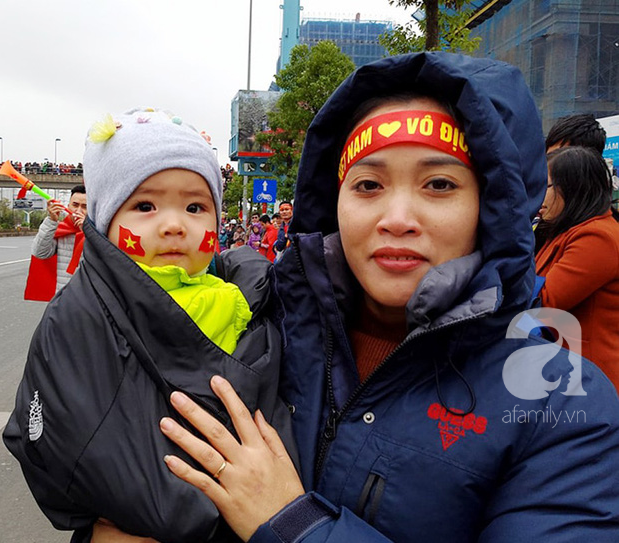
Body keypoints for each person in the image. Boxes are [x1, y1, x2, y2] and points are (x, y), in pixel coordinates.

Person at [149, 53, 619, 543]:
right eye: (368, 184)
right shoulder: (256, 325)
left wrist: (294, 525)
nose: (396, 218)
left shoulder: (558, 408)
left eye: (439, 184)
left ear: (492, 205)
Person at [3, 108, 293, 543]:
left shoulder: (249, 301)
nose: (174, 225)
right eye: (144, 206)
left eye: (195, 206)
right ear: (105, 221)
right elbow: (53, 442)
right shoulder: (78, 315)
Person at [535, 146, 619, 391]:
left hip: (591, 378)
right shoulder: (563, 230)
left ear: (572, 188)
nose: (539, 197)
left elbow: (545, 300)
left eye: (546, 187)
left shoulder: (597, 237)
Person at [24, 184, 87, 301]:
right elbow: (40, 253)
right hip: (63, 297)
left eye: (85, 206)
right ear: (68, 206)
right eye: (75, 205)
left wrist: (88, 231)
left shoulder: (103, 231)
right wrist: (51, 220)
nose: (78, 210)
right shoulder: (61, 229)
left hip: (91, 300)